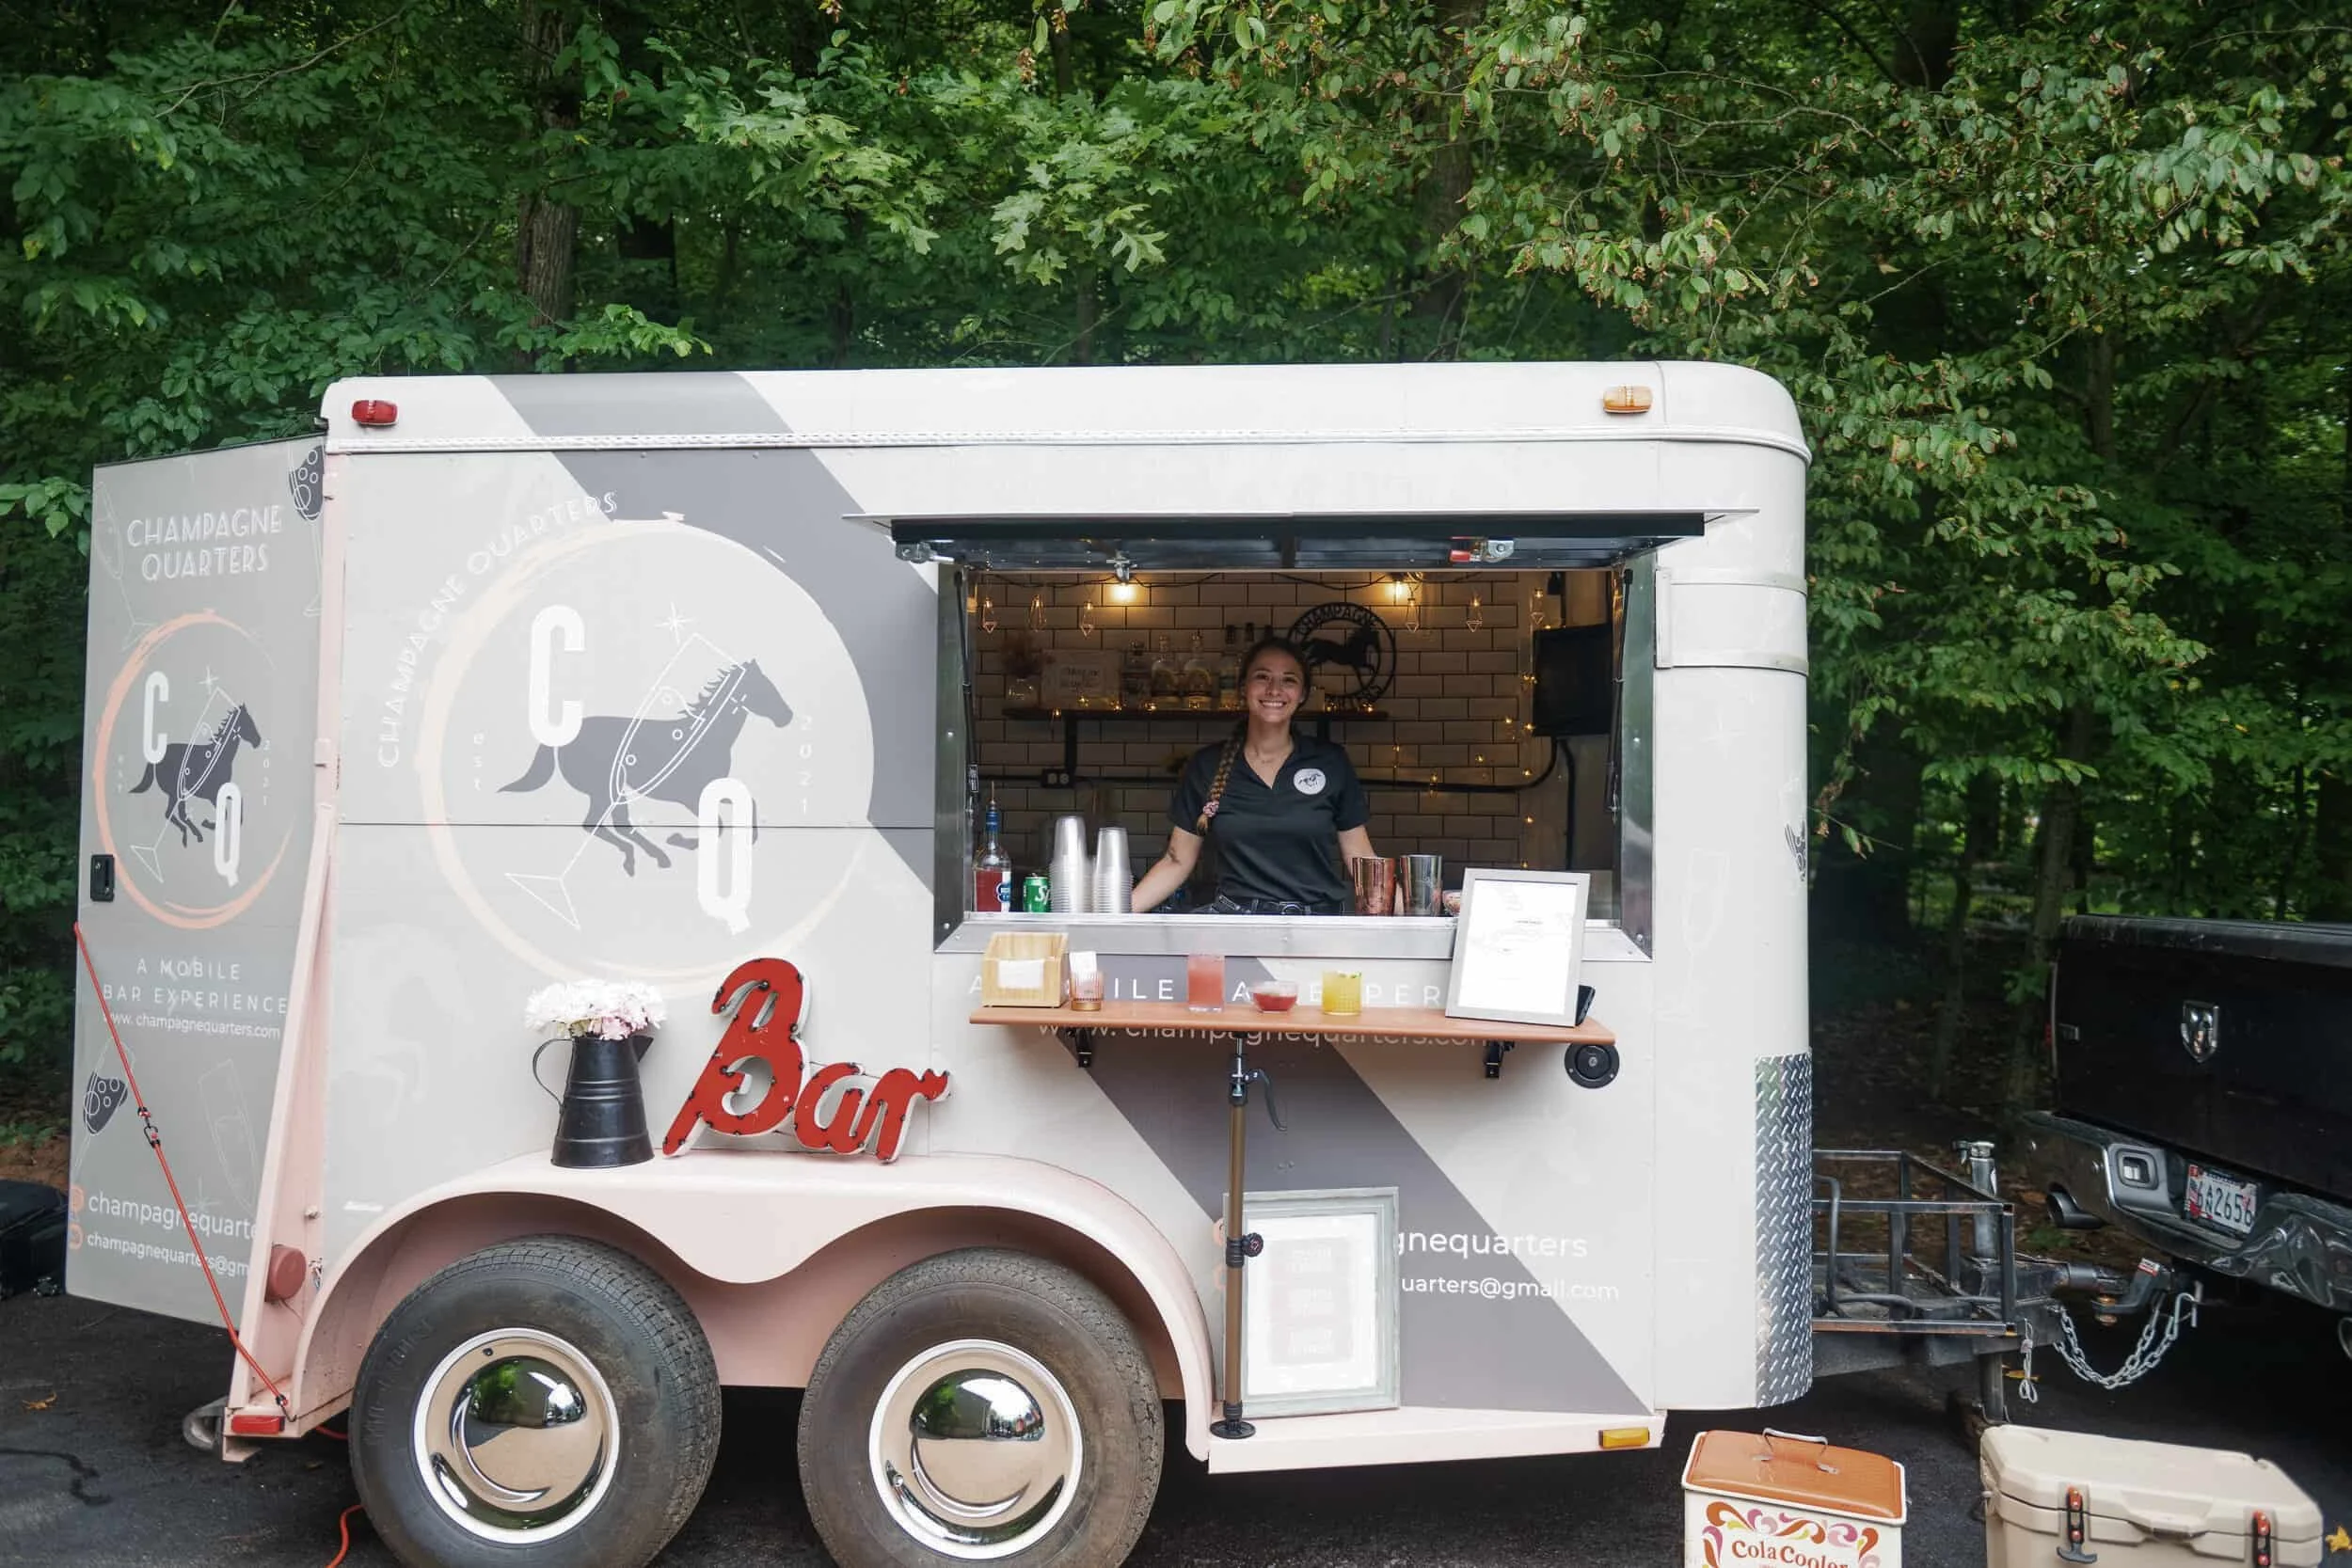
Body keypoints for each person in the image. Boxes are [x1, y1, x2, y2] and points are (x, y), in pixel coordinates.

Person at [1130, 636, 1376, 915]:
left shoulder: (1330, 762)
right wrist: (1114, 917)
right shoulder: (1208, 766)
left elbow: (1361, 860)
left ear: (1304, 693)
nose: (1274, 690)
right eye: (1262, 677)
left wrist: (1414, 911)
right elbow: (1176, 860)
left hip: (1316, 926)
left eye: (1289, 680)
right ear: (1243, 687)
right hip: (1236, 923)